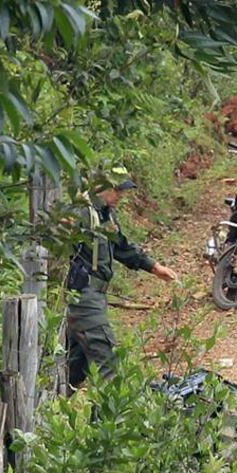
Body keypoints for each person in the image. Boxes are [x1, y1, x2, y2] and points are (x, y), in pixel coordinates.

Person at [64, 168, 177, 394]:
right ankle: (117, 420)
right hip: (83, 296)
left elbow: (122, 247)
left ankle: (48, 411)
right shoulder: (80, 213)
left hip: (96, 295)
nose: (119, 197)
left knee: (76, 364)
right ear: (100, 188)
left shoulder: (106, 214)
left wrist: (153, 267)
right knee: (107, 361)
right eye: (116, 191)